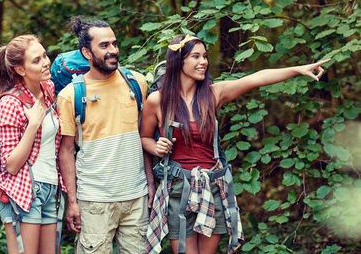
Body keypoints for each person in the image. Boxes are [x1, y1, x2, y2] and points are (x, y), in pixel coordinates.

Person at [141, 35, 331, 254]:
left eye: (205, 56)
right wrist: (156, 147)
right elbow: (144, 136)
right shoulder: (157, 100)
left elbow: (256, 78)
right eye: (195, 56)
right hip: (177, 188)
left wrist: (299, 69)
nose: (203, 62)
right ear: (178, 60)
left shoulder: (214, 94)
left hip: (213, 185)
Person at [57, 16, 155, 253]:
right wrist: (72, 202)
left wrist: (151, 184)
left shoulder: (136, 83)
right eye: (104, 45)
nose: (112, 50)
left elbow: (144, 138)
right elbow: (66, 151)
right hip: (94, 202)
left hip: (137, 197)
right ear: (87, 53)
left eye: (114, 43)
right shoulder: (71, 95)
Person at [0, 34, 66, 254]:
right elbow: (10, 165)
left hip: (50, 188)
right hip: (23, 192)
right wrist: (33, 125)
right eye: (36, 60)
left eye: (44, 55)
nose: (45, 62)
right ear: (20, 70)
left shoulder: (48, 90)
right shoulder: (10, 102)